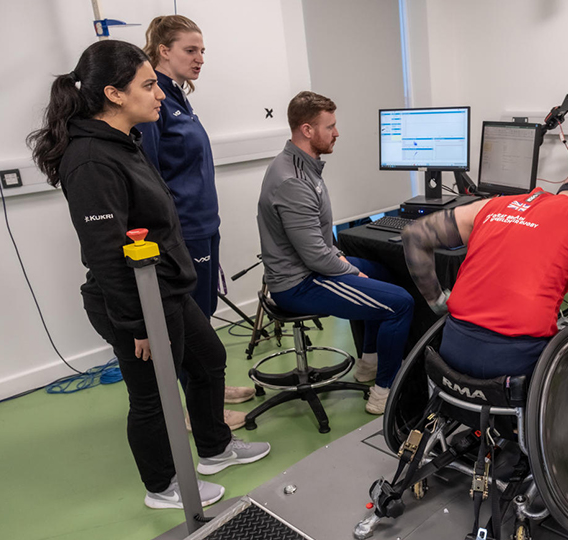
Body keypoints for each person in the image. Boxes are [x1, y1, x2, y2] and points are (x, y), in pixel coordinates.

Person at [27, 39, 270, 510]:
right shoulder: (92, 159)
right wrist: (137, 325)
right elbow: (106, 254)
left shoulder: (125, 141)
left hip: (166, 289)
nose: (160, 94)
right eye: (149, 85)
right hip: (135, 301)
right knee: (152, 398)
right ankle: (162, 486)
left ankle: (215, 449)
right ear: (115, 95)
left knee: (208, 360)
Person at [402, 173, 568, 378]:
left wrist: (437, 300)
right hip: (515, 360)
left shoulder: (493, 205)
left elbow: (414, 235)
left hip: (452, 348)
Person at [257, 92, 414, 415]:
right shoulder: (293, 181)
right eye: (330, 127)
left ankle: (368, 363)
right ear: (307, 130)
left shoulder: (300, 165)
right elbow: (315, 257)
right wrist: (351, 271)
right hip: (299, 284)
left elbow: (317, 242)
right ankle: (384, 392)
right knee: (400, 303)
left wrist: (344, 261)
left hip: (310, 267)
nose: (337, 133)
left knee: (384, 273)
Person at [137, 15, 255, 427]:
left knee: (202, 314)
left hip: (204, 225)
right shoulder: (154, 103)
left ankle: (209, 386)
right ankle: (199, 410)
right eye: (191, 50)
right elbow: (148, 174)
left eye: (202, 50)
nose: (200, 58)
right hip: (183, 231)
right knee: (191, 323)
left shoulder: (178, 97)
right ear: (163, 50)